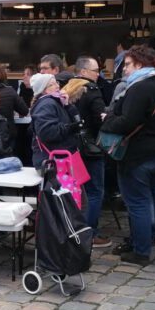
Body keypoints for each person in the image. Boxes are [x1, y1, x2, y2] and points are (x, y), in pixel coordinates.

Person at [99, 46, 155, 265]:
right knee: (148, 198)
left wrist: (106, 119)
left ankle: (141, 250)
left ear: (140, 65)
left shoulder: (139, 88)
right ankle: (141, 240)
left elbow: (126, 122)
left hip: (139, 154)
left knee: (138, 203)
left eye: (128, 64)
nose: (124, 69)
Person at [67, 56, 110, 247]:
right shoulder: (92, 90)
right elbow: (100, 119)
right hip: (90, 148)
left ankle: (72, 228)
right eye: (95, 70)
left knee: (75, 190)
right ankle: (90, 233)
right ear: (83, 72)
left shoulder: (67, 88)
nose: (98, 74)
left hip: (71, 147)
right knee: (94, 191)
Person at [28, 73, 82, 169]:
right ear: (43, 90)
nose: (57, 86)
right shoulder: (46, 104)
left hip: (61, 158)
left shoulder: (57, 101)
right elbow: (47, 132)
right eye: (51, 85)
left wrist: (67, 105)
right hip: (55, 160)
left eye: (56, 82)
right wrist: (71, 128)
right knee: (64, 184)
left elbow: (77, 119)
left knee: (73, 183)